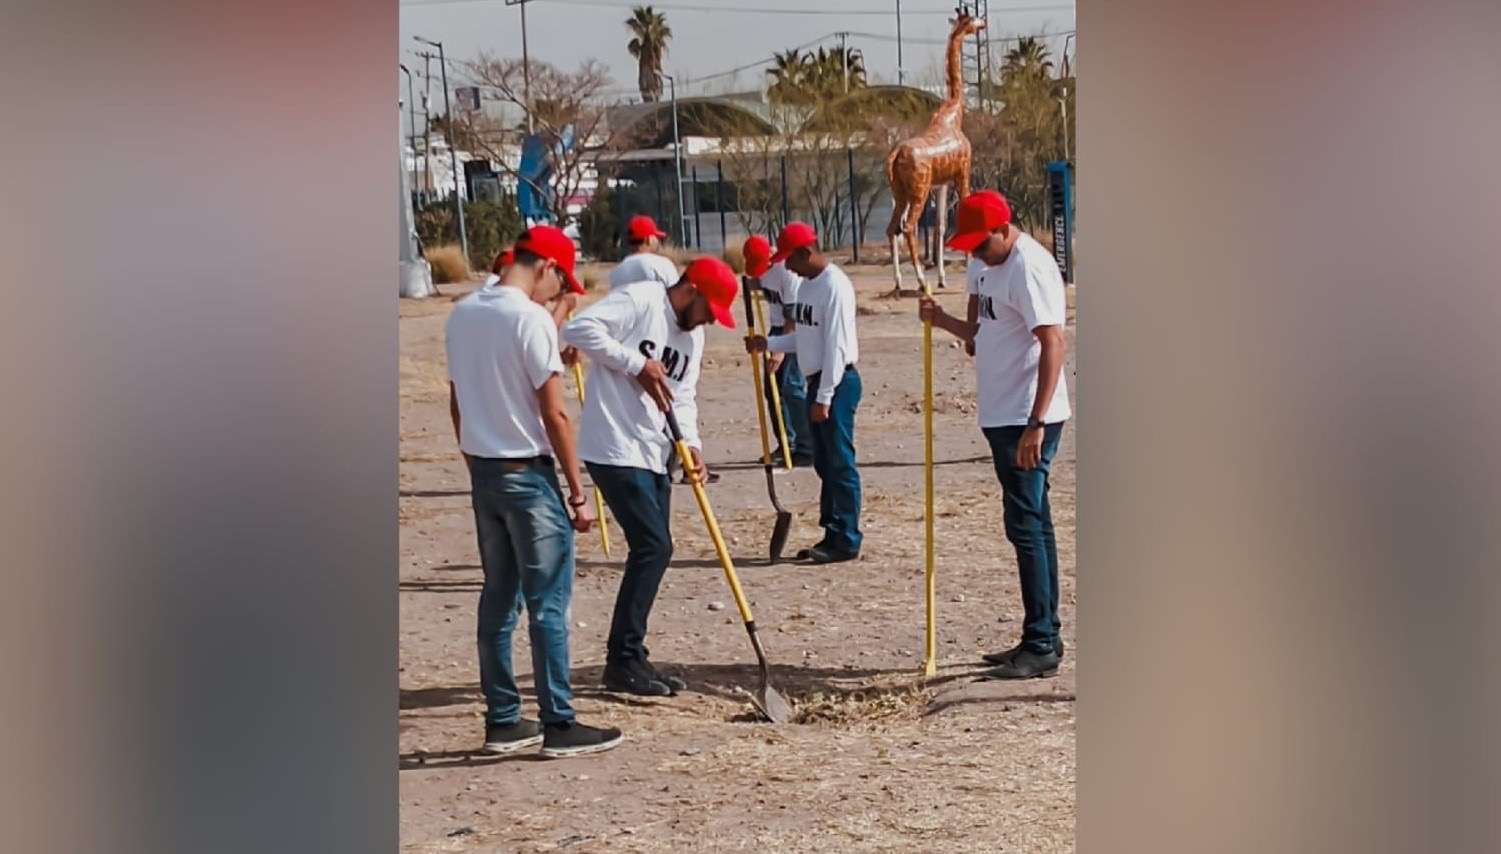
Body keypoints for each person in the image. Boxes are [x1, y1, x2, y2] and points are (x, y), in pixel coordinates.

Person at [445, 225, 625, 758]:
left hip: (484, 470)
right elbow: (555, 414)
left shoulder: (462, 313)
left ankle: (503, 718)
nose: (559, 291)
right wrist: (576, 489)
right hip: (529, 474)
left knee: (499, 597)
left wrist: (473, 455)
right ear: (545, 266)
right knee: (549, 602)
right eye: (560, 279)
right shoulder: (529, 320)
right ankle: (558, 722)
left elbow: (456, 400)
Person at [561, 257, 740, 696]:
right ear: (691, 289)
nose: (709, 323)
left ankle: (633, 656)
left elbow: (684, 396)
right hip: (614, 447)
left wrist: (692, 445)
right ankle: (621, 660)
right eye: (709, 310)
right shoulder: (642, 300)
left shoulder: (692, 338)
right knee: (654, 545)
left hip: (656, 451)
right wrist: (635, 364)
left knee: (655, 548)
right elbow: (579, 330)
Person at [918, 190, 1070, 680]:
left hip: (1026, 418)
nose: (976, 253)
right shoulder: (982, 266)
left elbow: (1053, 342)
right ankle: (1040, 633)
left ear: (1005, 228)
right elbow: (978, 336)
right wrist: (941, 320)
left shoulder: (1030, 267)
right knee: (1028, 523)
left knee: (1027, 526)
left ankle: (1042, 642)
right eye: (970, 247)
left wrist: (1037, 422)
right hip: (999, 414)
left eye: (982, 244)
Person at [745, 222, 863, 564]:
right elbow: (806, 339)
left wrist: (825, 397)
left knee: (840, 463)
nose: (787, 267)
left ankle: (846, 538)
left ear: (805, 253)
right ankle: (832, 530)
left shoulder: (835, 286)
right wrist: (769, 343)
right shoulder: (809, 287)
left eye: (789, 260)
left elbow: (837, 347)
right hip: (818, 380)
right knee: (825, 463)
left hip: (837, 382)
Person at [744, 235, 814, 467]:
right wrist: (749, 285)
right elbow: (762, 283)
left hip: (792, 330)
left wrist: (780, 350)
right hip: (774, 330)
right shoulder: (762, 269)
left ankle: (806, 446)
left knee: (791, 386)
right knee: (771, 389)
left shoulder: (787, 270)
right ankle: (786, 443)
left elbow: (792, 316)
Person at [607, 215, 679, 290]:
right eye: (656, 237)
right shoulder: (662, 265)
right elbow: (677, 296)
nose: (658, 241)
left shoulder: (616, 273)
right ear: (648, 239)